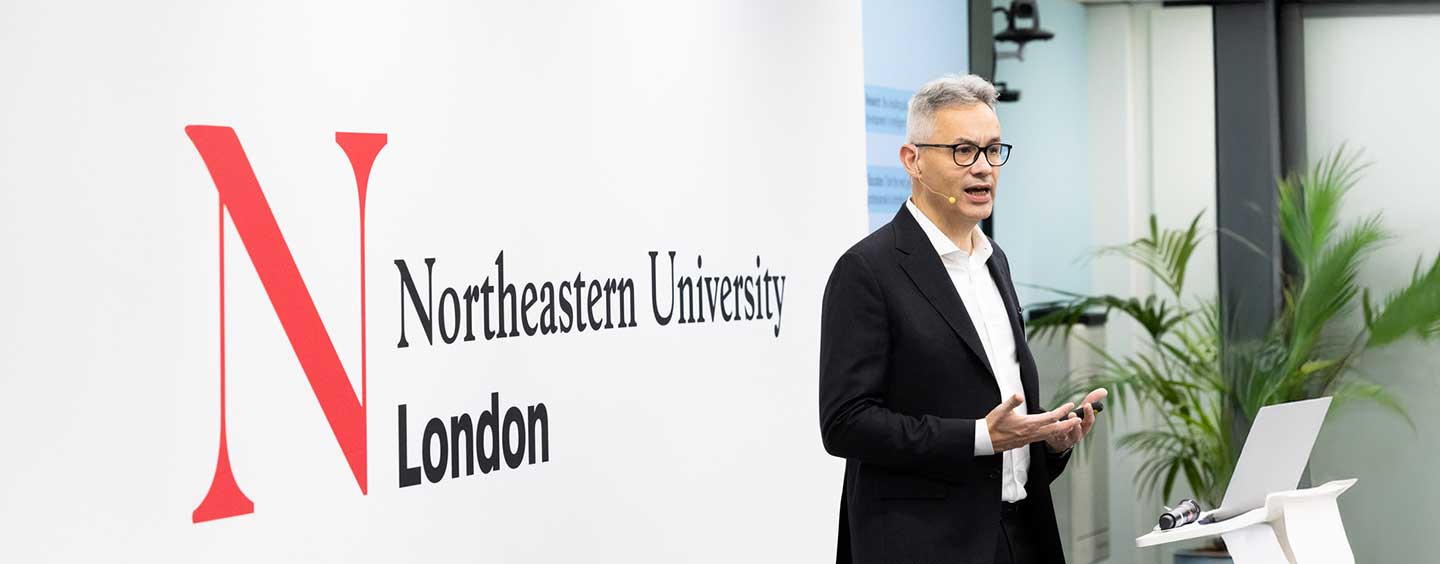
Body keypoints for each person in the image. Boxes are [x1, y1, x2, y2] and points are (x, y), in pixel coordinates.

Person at [818, 74, 1107, 564]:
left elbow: (1002, 432)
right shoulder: (868, 269)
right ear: (913, 161)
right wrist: (979, 437)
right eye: (963, 151)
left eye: (993, 150)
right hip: (925, 545)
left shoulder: (996, 261)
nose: (984, 169)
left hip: (1021, 536)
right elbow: (845, 423)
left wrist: (1046, 440)